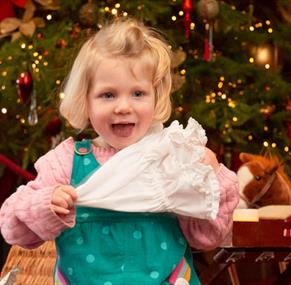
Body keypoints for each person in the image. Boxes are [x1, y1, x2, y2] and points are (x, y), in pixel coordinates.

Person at [0, 18, 239, 285]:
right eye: (108, 95)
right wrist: (46, 204)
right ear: (85, 100)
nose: (123, 107)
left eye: (138, 93)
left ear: (155, 96)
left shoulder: (171, 160)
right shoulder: (66, 162)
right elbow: (12, 227)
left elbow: (208, 237)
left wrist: (212, 175)